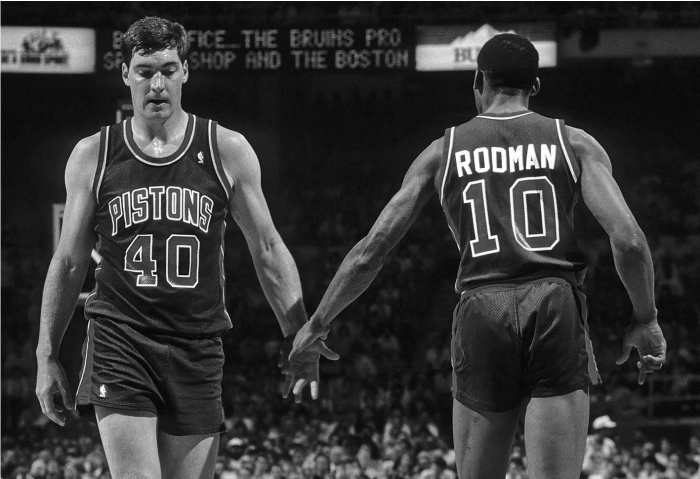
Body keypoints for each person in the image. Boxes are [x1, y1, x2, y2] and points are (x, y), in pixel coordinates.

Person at [284, 33, 666, 479]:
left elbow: (372, 251)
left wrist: (317, 323)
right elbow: (631, 242)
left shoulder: (442, 151)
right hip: (555, 303)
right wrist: (646, 317)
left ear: (478, 81)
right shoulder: (575, 142)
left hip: (482, 307)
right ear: (535, 85)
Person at [35, 16, 336, 479]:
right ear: (125, 74)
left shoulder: (226, 148)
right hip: (121, 339)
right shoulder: (93, 154)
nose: (157, 83)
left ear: (186, 71)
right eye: (144, 70)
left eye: (169, 69)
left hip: (196, 343)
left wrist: (296, 333)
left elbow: (269, 249)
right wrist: (47, 354)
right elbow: (71, 260)